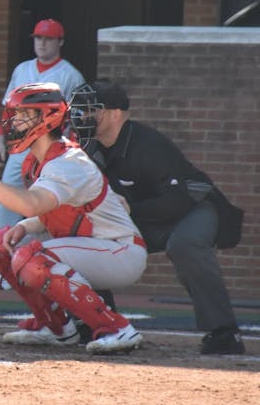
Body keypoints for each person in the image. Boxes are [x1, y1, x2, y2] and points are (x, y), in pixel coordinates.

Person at [0, 82, 147, 354]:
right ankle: (56, 328)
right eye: (14, 114)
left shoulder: (68, 161)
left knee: (31, 259)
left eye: (23, 114)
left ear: (47, 117)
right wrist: (23, 226)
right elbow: (52, 212)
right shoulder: (37, 160)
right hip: (93, 245)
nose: (14, 121)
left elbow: (32, 205)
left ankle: (117, 328)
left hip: (121, 250)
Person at [70, 80, 246, 356]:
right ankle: (101, 324)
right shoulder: (90, 149)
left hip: (194, 209)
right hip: (147, 217)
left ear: (115, 114)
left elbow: (181, 197)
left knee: (184, 244)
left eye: (92, 110)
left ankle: (225, 333)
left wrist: (130, 212)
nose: (83, 116)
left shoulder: (147, 144)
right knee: (88, 239)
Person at [0, 18, 84, 287]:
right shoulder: (23, 69)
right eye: (38, 38)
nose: (41, 43)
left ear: (60, 42)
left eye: (48, 39)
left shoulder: (70, 75)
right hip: (21, 146)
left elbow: (77, 119)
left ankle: (38, 262)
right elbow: (9, 108)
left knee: (47, 204)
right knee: (6, 197)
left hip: (52, 149)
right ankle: (2, 262)